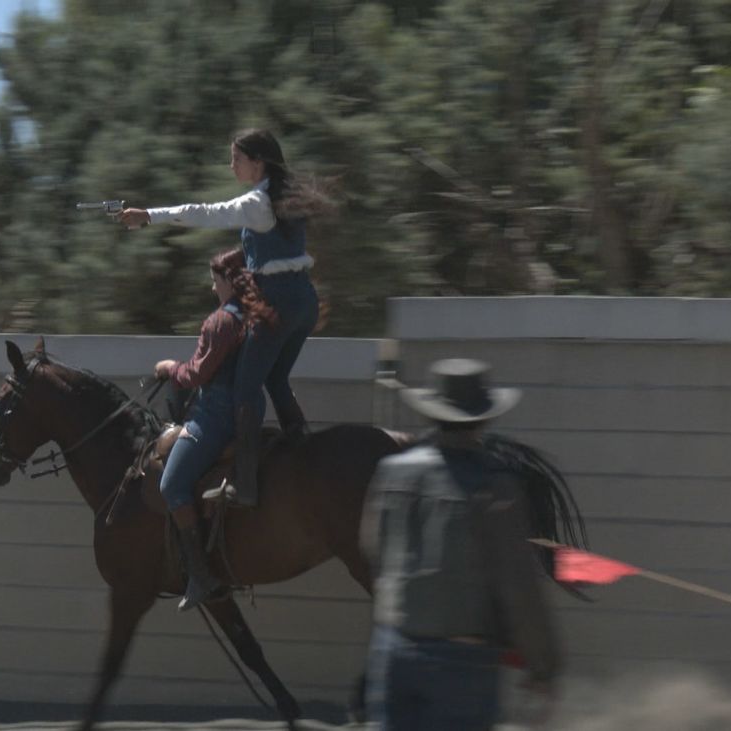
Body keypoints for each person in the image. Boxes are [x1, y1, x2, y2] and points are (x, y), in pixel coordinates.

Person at [120, 128, 335, 507]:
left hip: (279, 303)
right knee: (276, 377)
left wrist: (148, 216)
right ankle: (303, 446)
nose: (231, 165)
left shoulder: (257, 202)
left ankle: (245, 485)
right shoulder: (288, 197)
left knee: (245, 389)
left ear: (258, 162)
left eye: (236, 158)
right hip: (304, 300)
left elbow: (202, 213)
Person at [361, 359, 561, 730]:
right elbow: (518, 585)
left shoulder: (393, 473)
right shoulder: (493, 485)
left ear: (433, 413)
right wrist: (543, 665)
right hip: (462, 663)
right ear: (483, 419)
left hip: (394, 650)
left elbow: (374, 550)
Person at [154, 249, 276, 611]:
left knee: (171, 484)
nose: (212, 287)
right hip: (250, 408)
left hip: (217, 414)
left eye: (215, 279)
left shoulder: (221, 322)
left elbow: (196, 375)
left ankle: (200, 573)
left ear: (228, 281)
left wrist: (168, 368)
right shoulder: (257, 317)